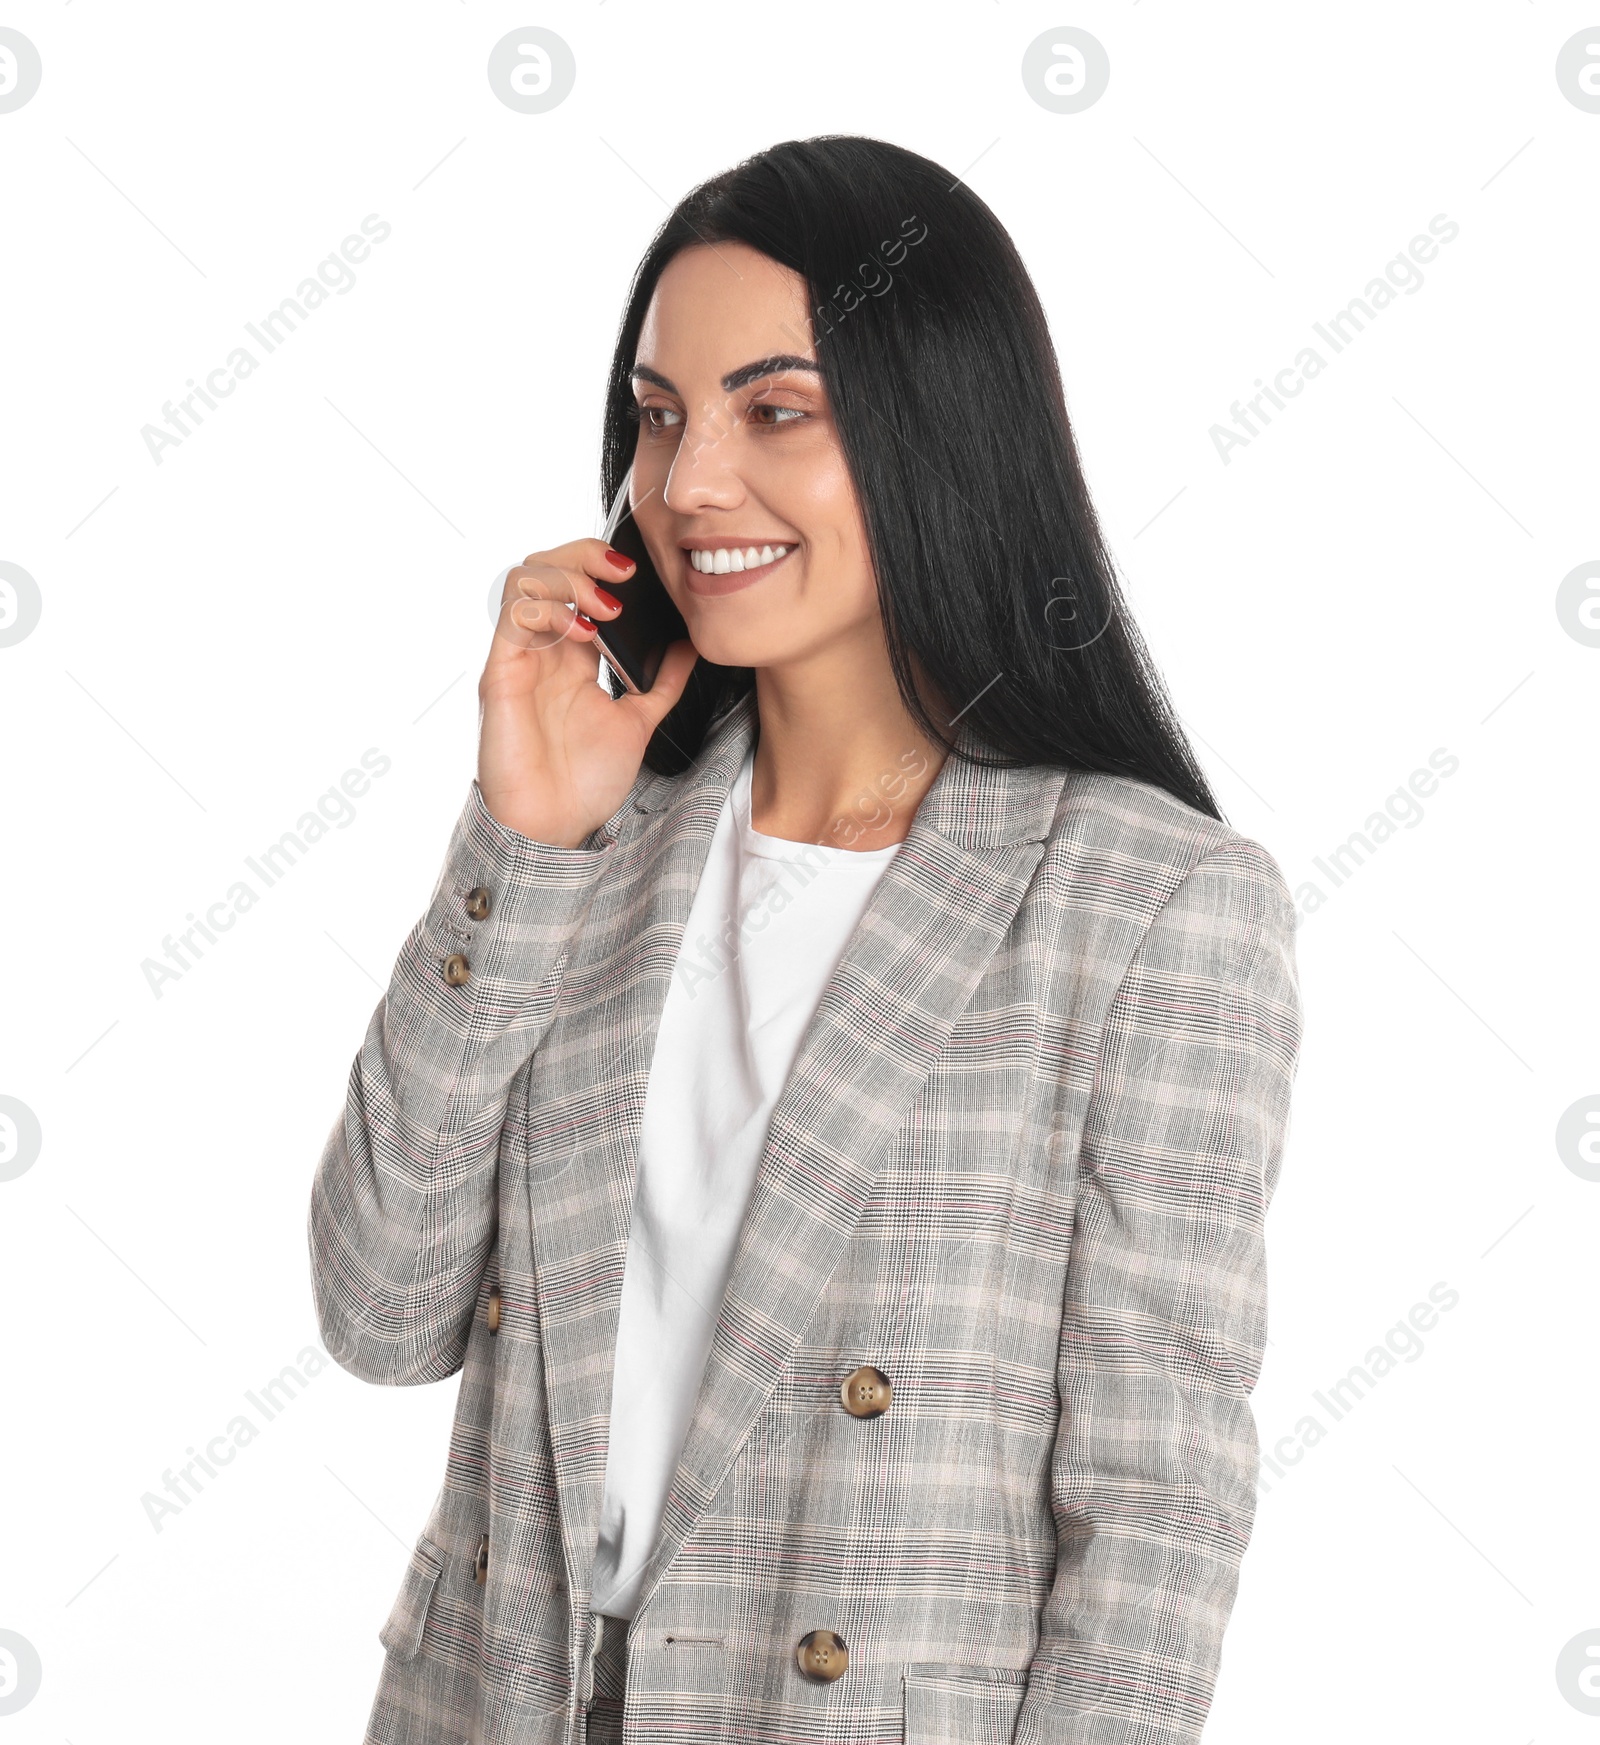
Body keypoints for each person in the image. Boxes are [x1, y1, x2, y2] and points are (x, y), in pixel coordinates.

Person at [308, 134, 1303, 1745]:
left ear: (939, 433)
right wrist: (526, 835)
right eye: (658, 414)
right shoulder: (599, 845)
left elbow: (1158, 1513)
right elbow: (375, 1306)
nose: (688, 481)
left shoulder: (1147, 904)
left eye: (776, 410)